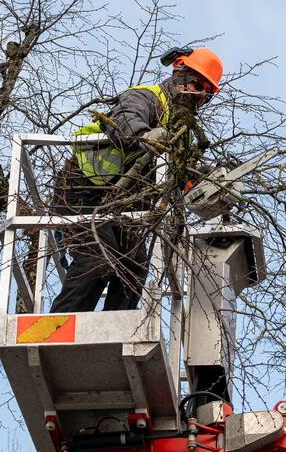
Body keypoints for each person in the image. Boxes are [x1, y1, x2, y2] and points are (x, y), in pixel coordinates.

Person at [49, 47, 223, 313]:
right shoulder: (146, 97)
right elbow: (125, 120)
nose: (199, 95)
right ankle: (58, 328)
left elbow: (183, 176)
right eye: (198, 84)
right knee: (97, 259)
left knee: (135, 264)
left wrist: (212, 182)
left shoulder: (179, 130)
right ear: (179, 73)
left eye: (207, 94)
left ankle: (115, 329)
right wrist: (145, 135)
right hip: (82, 191)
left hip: (119, 206)